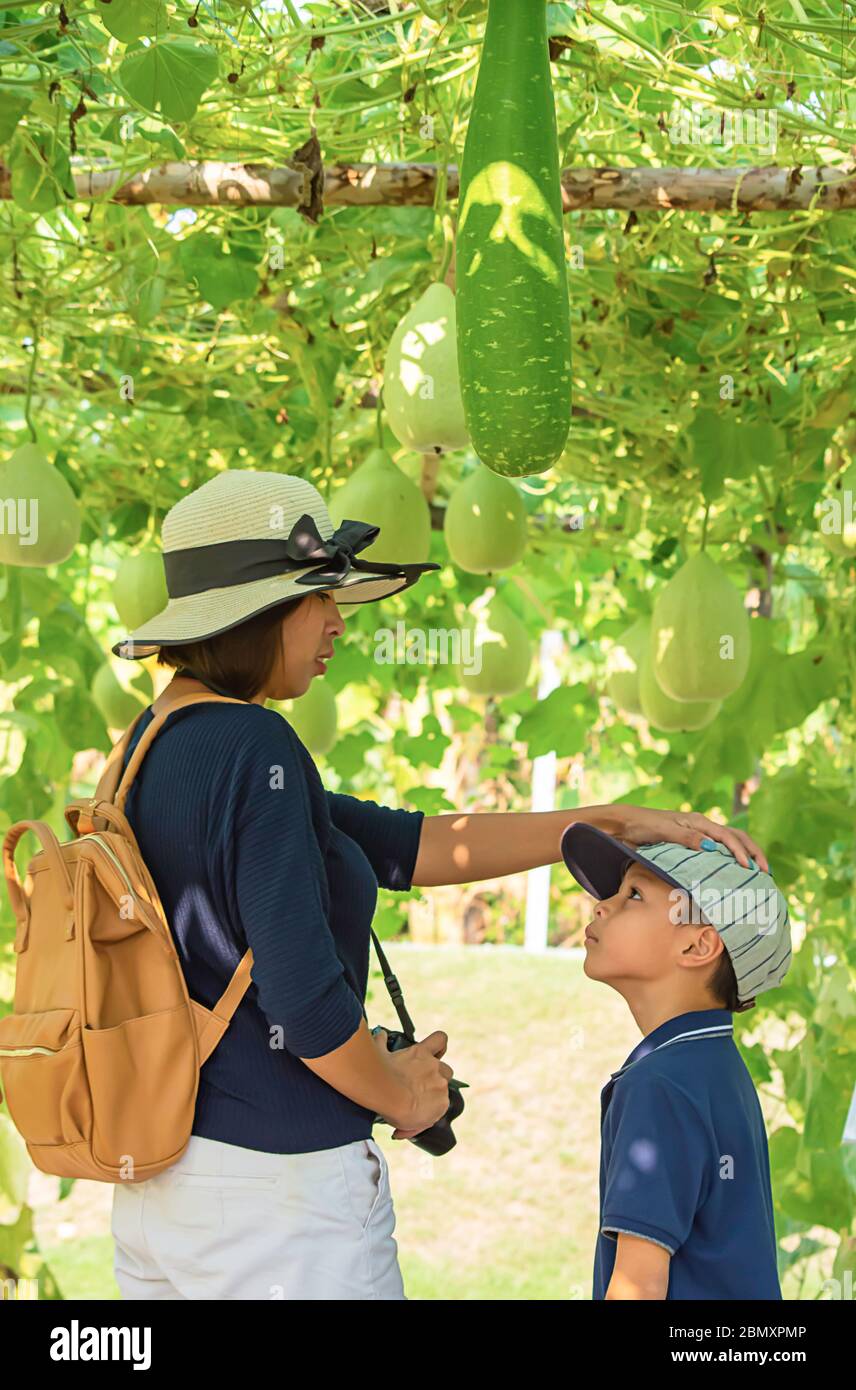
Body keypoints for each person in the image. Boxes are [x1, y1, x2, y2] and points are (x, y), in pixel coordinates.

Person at [107, 466, 771, 1300]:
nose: (337, 623)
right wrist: (405, 1095)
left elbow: (408, 846)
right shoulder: (255, 749)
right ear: (262, 609)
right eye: (322, 599)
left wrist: (615, 822)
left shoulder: (151, 746)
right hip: (278, 1214)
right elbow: (307, 1009)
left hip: (165, 1190)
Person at [561, 822, 791, 1301]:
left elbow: (638, 1286)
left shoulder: (659, 1084)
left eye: (635, 896)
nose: (601, 904)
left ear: (697, 946)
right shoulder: (715, 1068)